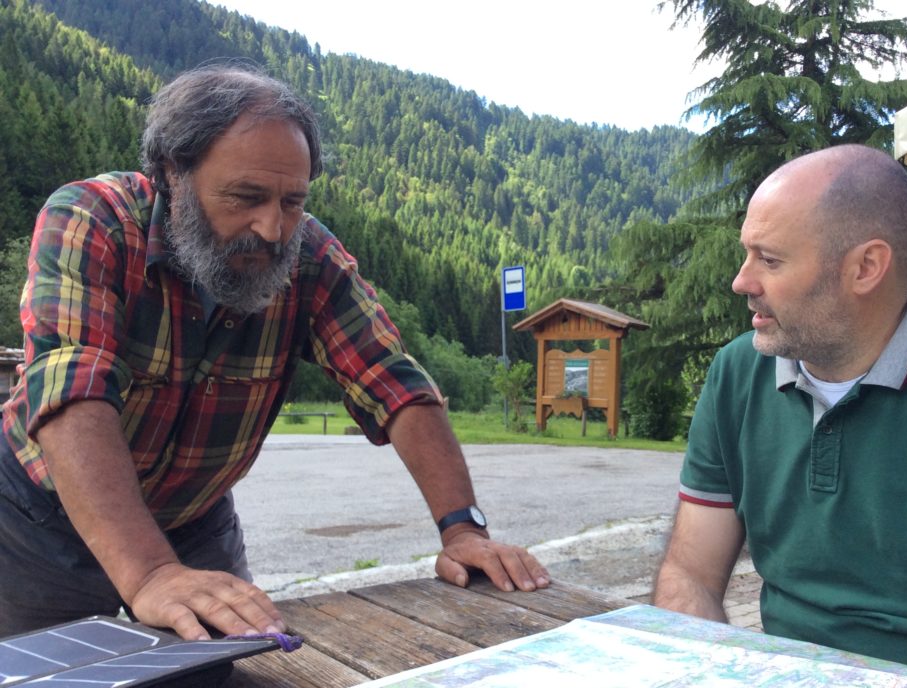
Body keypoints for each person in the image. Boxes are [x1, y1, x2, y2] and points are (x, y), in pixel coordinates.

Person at [0, 63, 549, 642]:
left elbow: (396, 385)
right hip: (39, 521)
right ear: (171, 173)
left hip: (196, 520)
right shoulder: (93, 220)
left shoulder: (310, 257)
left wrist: (464, 532)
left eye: (293, 201)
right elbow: (71, 394)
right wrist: (152, 574)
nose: (273, 228)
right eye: (246, 197)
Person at [653, 144, 907, 688]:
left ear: (866, 267)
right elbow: (690, 575)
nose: (741, 281)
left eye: (769, 259)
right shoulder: (738, 372)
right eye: (746, 254)